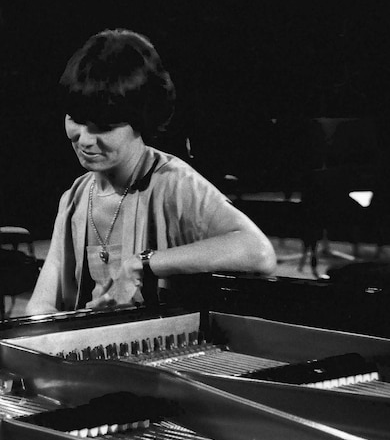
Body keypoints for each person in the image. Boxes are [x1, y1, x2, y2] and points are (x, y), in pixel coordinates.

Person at [26, 29, 276, 315]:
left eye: (103, 127)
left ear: (141, 119)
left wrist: (142, 264)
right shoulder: (75, 198)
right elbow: (42, 305)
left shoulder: (174, 183)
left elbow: (259, 252)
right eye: (76, 120)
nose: (84, 139)